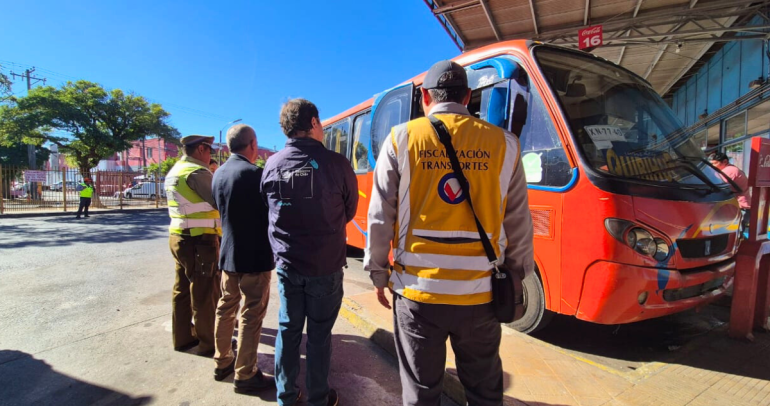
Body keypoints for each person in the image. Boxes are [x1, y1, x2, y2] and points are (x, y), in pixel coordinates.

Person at [365, 60, 535, 406]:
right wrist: (515, 277)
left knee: (421, 393)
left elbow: (380, 215)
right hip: (481, 296)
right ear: (468, 96)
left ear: (426, 97)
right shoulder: (506, 144)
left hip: (417, 294)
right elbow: (518, 222)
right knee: (485, 393)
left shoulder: (400, 139)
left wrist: (378, 272)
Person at [261, 99, 358, 406]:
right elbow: (350, 210)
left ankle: (286, 396)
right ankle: (318, 398)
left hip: (287, 265)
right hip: (325, 265)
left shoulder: (271, 164)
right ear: (314, 122)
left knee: (288, 329)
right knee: (319, 335)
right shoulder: (337, 164)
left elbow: (269, 209)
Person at [211, 124, 276, 394]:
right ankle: (246, 374)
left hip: (228, 254)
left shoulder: (217, 174)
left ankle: (222, 361)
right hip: (255, 257)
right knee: (251, 314)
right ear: (252, 144)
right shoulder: (256, 174)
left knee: (226, 307)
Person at [165, 135, 222, 356]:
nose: (210, 156)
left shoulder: (175, 171)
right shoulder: (197, 172)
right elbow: (220, 201)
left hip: (178, 236)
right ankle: (210, 344)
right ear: (200, 149)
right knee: (205, 293)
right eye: (209, 151)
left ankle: (183, 338)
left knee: (181, 290)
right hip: (200, 240)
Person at [709, 152, 751, 229]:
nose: (712, 166)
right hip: (738, 206)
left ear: (725, 161)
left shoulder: (729, 171)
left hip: (740, 207)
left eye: (714, 163)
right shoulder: (730, 169)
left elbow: (718, 187)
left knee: (737, 231)